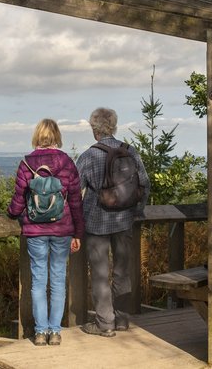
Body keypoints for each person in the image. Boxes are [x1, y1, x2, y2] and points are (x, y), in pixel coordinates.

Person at [7, 118, 84, 347]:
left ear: (37, 136)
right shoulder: (67, 163)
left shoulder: (26, 164)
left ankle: (40, 333)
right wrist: (78, 233)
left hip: (35, 230)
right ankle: (55, 332)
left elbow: (19, 200)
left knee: (38, 281)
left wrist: (11, 214)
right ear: (56, 136)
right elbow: (77, 202)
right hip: (62, 229)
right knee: (58, 280)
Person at [75, 107, 150, 337]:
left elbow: (75, 190)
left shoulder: (88, 156)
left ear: (94, 129)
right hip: (125, 220)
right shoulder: (129, 151)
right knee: (122, 272)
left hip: (96, 222)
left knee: (99, 273)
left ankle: (104, 323)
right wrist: (136, 210)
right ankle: (122, 320)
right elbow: (144, 184)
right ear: (114, 126)